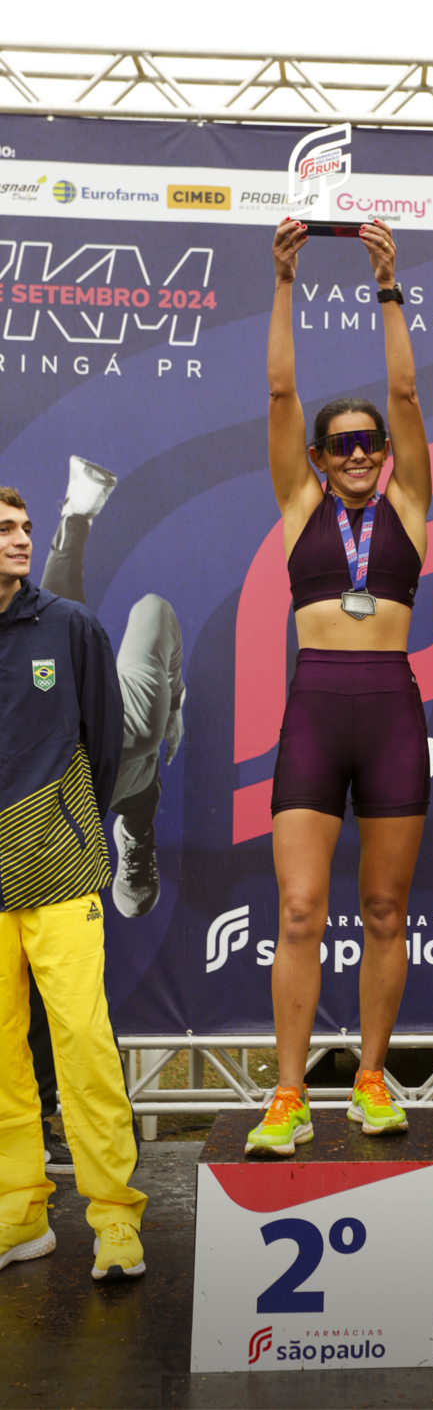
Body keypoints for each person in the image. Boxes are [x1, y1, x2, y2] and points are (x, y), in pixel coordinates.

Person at [246, 216, 432, 1153]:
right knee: (298, 911)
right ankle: (288, 1094)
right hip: (315, 711)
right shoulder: (298, 503)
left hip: (391, 710)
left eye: (369, 443)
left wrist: (386, 283)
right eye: (341, 445)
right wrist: (284, 280)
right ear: (318, 457)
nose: (359, 454)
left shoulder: (410, 502)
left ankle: (368, 1077)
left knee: (386, 912)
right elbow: (282, 389)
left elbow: (405, 390)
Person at [0, 488, 147, 1279]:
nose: (21, 540)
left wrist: (67, 825)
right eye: (4, 530)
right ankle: (20, 1215)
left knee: (83, 1048)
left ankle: (115, 1219)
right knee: (0, 1060)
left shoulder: (70, 626)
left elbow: (107, 741)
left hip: (59, 873)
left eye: (26, 528)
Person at [40, 454, 186, 919]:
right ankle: (136, 829)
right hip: (104, 761)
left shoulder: (136, 722)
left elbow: (155, 611)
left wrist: (174, 703)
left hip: (122, 744)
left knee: (53, 629)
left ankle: (135, 833)